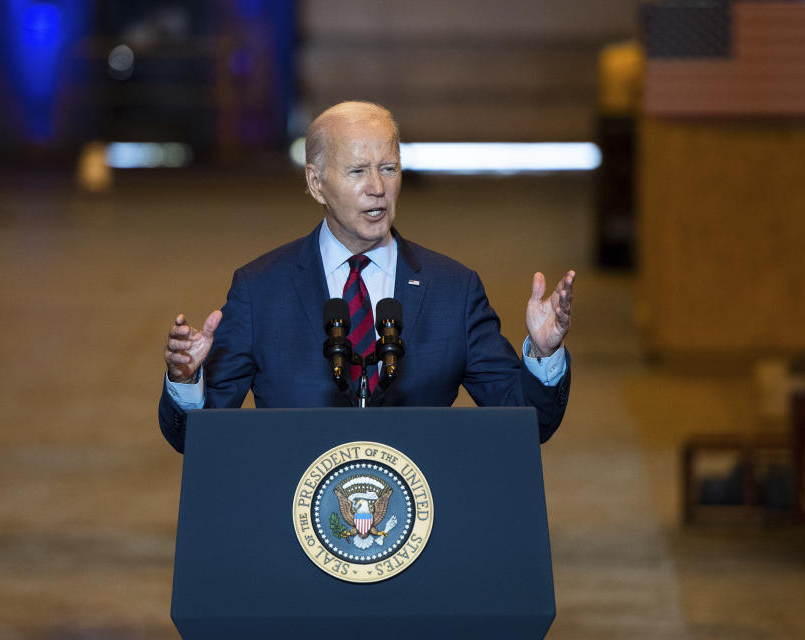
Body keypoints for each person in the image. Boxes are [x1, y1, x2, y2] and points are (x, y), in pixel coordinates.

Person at [159, 101, 575, 453]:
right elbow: (198, 439)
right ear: (316, 183)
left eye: (389, 168)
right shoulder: (261, 289)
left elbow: (528, 426)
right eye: (358, 171)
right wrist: (187, 380)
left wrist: (542, 356)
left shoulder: (454, 290)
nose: (378, 187)